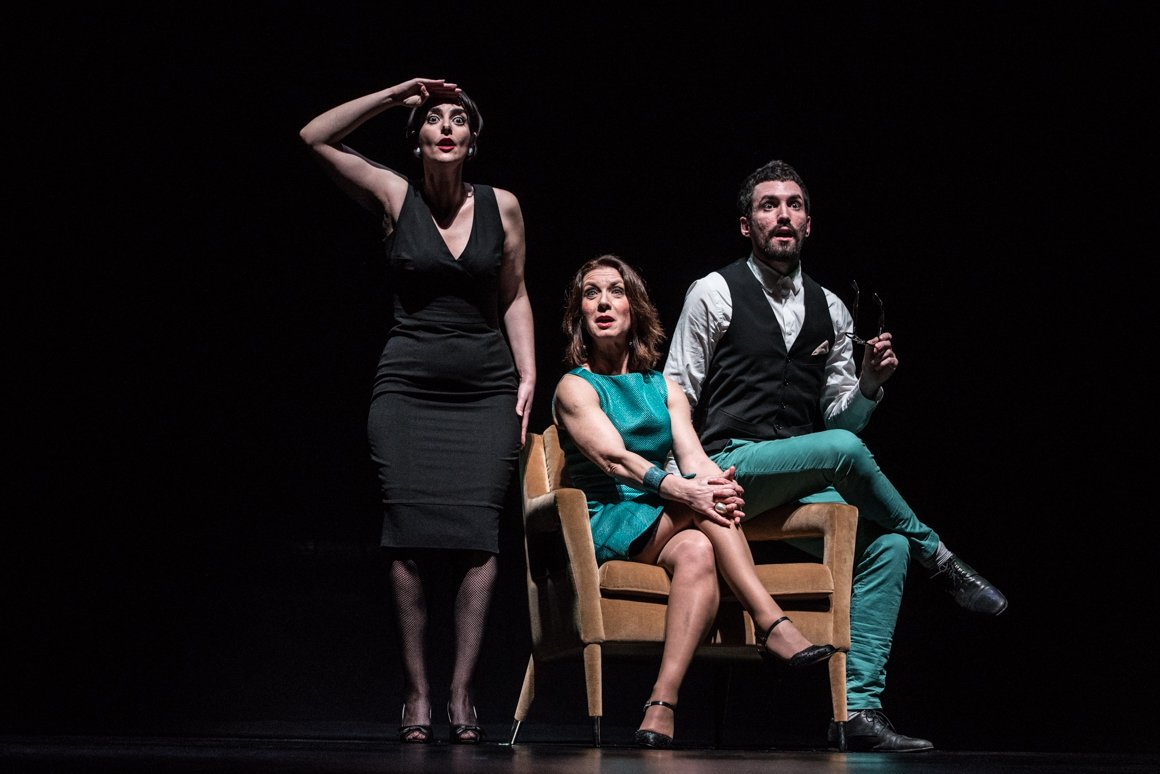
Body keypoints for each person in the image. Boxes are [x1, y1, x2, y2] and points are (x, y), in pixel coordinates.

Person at [663, 159, 1007, 752]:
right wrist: (691, 479)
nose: (782, 215)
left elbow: (838, 421)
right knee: (847, 453)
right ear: (746, 225)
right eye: (768, 205)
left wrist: (868, 386)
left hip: (798, 476)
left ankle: (858, 711)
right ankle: (940, 557)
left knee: (886, 545)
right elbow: (678, 392)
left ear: (808, 223)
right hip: (731, 464)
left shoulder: (833, 309)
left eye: (793, 205)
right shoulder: (714, 291)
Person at [299, 77, 535, 745]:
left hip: (486, 390)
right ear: (418, 138)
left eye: (458, 119)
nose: (446, 127)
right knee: (405, 537)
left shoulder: (502, 206)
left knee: (479, 538)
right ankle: (416, 692)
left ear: (473, 141)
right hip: (406, 390)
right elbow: (314, 136)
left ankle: (461, 692)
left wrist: (528, 372)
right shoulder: (394, 196)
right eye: (434, 119)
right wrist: (397, 94)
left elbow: (515, 294)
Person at [552, 254, 839, 750]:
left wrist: (718, 483)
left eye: (616, 292)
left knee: (700, 548)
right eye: (591, 294)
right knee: (699, 505)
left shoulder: (664, 386)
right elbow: (616, 460)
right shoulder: (574, 387)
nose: (603, 303)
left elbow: (693, 456)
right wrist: (687, 492)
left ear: (635, 308)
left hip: (660, 515)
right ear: (579, 313)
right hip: (608, 517)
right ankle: (770, 621)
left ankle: (661, 703)